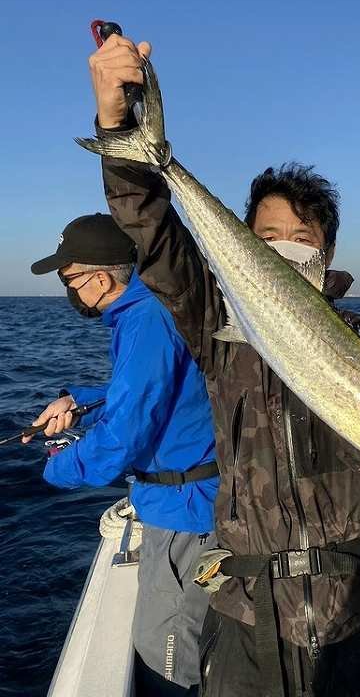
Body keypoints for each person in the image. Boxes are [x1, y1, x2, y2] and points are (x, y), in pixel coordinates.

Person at [88, 34, 360, 697]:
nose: (285, 249)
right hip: (246, 618)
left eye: (303, 239)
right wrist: (116, 122)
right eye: (267, 238)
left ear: (329, 254)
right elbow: (148, 225)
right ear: (241, 248)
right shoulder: (215, 328)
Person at [27, 213, 219, 696]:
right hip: (181, 504)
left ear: (97, 277)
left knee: (168, 662)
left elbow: (124, 436)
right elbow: (149, 392)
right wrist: (78, 400)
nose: (68, 290)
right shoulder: (149, 311)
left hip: (185, 514)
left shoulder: (145, 321)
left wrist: (57, 468)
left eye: (67, 278)